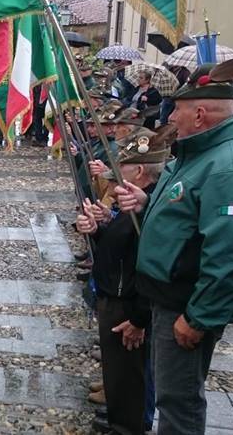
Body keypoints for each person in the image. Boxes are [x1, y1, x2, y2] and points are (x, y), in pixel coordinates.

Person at [115, 61, 233, 434]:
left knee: (178, 403)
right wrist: (146, 203)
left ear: (199, 114)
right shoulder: (200, 154)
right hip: (168, 296)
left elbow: (229, 253)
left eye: (178, 110)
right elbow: (187, 212)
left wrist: (199, 317)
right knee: (172, 395)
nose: (172, 117)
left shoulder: (226, 168)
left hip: (184, 304)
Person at [76, 126, 174, 434]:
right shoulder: (133, 205)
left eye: (124, 165)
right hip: (116, 295)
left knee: (132, 379)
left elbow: (152, 266)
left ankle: (129, 424)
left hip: (129, 304)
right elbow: (118, 247)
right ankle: (120, 416)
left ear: (141, 170)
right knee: (120, 376)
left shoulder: (150, 209)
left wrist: (139, 317)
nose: (117, 171)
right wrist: (99, 228)